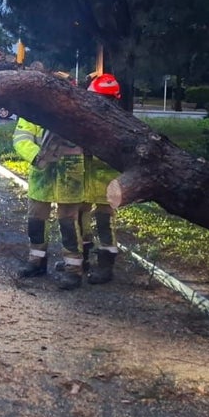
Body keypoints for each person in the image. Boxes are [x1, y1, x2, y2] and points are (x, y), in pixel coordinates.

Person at [12, 107, 88, 290]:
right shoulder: (33, 111)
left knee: (68, 221)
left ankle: (73, 270)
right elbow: (21, 138)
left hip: (69, 173)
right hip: (42, 172)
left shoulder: (77, 112)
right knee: (36, 219)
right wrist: (36, 156)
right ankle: (36, 261)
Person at [80, 73, 123, 284]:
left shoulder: (119, 123)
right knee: (82, 221)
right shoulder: (87, 119)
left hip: (106, 184)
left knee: (105, 223)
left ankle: (106, 267)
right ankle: (82, 259)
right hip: (87, 181)